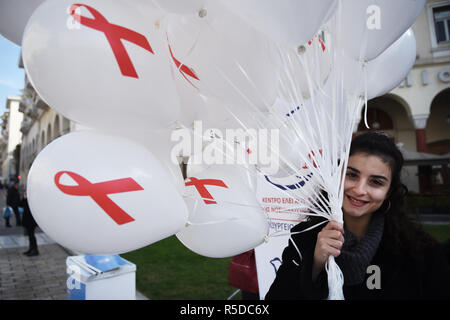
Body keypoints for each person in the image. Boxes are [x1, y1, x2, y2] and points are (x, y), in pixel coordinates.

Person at [265, 131, 450, 299]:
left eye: (376, 182)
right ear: (337, 177)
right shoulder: (306, 236)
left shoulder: (419, 250)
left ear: (389, 191)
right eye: (352, 175)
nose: (360, 190)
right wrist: (314, 266)